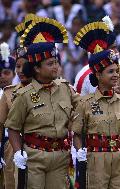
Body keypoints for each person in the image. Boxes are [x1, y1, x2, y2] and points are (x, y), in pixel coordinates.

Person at [72, 20, 120, 189]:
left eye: (116, 71)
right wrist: (79, 153)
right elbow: (76, 133)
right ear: (98, 75)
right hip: (95, 159)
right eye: (110, 72)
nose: (115, 75)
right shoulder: (85, 102)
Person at [5, 17, 79, 189]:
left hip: (60, 156)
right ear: (37, 68)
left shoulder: (65, 88)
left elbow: (83, 105)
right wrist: (17, 153)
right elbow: (13, 128)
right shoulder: (23, 95)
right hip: (34, 156)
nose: (56, 67)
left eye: (57, 63)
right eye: (50, 63)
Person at [0, 46, 30, 189]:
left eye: (6, 72)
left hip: (42, 147)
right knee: (12, 182)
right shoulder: (8, 93)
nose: (2, 76)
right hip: (11, 145)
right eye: (17, 66)